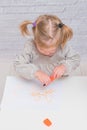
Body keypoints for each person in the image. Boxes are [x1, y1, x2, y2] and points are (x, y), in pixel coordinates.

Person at [13, 14, 80, 86]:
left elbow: (75, 59)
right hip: (36, 83)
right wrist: (36, 73)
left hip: (60, 83)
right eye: (43, 49)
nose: (48, 53)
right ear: (35, 41)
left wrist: (64, 66)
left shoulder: (63, 45)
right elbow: (18, 64)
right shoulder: (30, 46)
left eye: (52, 50)